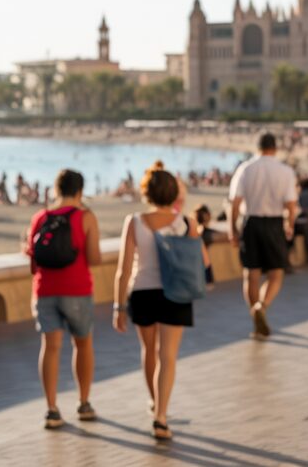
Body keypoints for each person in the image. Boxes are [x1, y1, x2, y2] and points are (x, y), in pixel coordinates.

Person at [113, 163, 200, 441]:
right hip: (175, 293)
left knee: (149, 350)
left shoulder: (135, 221)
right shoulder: (186, 223)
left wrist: (118, 306)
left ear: (146, 192)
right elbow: (196, 260)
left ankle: (154, 401)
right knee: (168, 356)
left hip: (143, 292)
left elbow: (123, 269)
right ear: (173, 193)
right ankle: (161, 416)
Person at [24, 169, 102, 430]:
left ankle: (52, 409)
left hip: (45, 290)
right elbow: (94, 258)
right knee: (82, 344)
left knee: (50, 347)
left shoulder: (39, 218)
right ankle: (84, 402)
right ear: (80, 191)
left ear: (55, 190)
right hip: (77, 288)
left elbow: (33, 263)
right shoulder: (85, 217)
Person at [228, 133, 298, 338]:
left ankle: (255, 318)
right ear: (274, 148)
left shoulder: (245, 168)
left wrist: (232, 228)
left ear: (257, 147)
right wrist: (290, 224)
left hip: (251, 222)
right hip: (274, 223)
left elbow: (235, 202)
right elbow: (291, 203)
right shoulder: (285, 171)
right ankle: (262, 305)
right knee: (276, 273)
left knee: (251, 274)